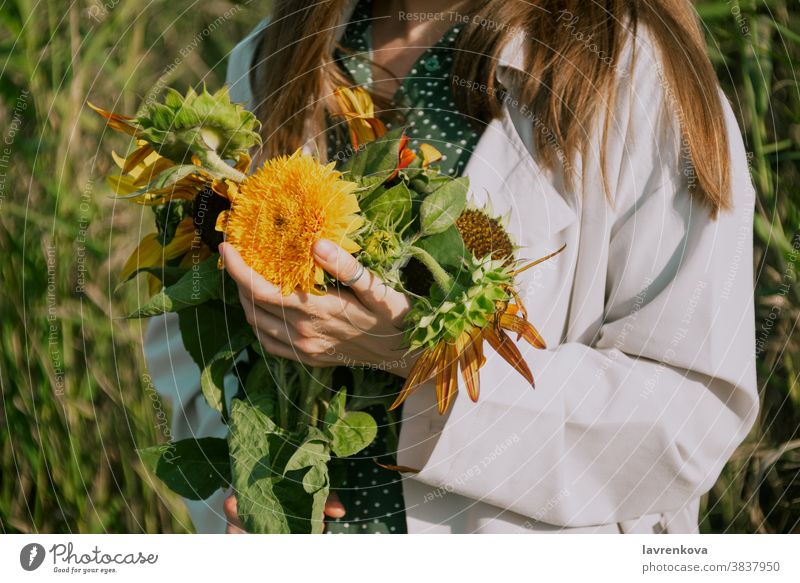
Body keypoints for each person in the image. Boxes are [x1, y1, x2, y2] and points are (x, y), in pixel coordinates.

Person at [144, 0, 758, 534]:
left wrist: (424, 364)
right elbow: (191, 328)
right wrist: (249, 493)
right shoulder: (273, 56)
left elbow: (688, 418)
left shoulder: (632, 74)